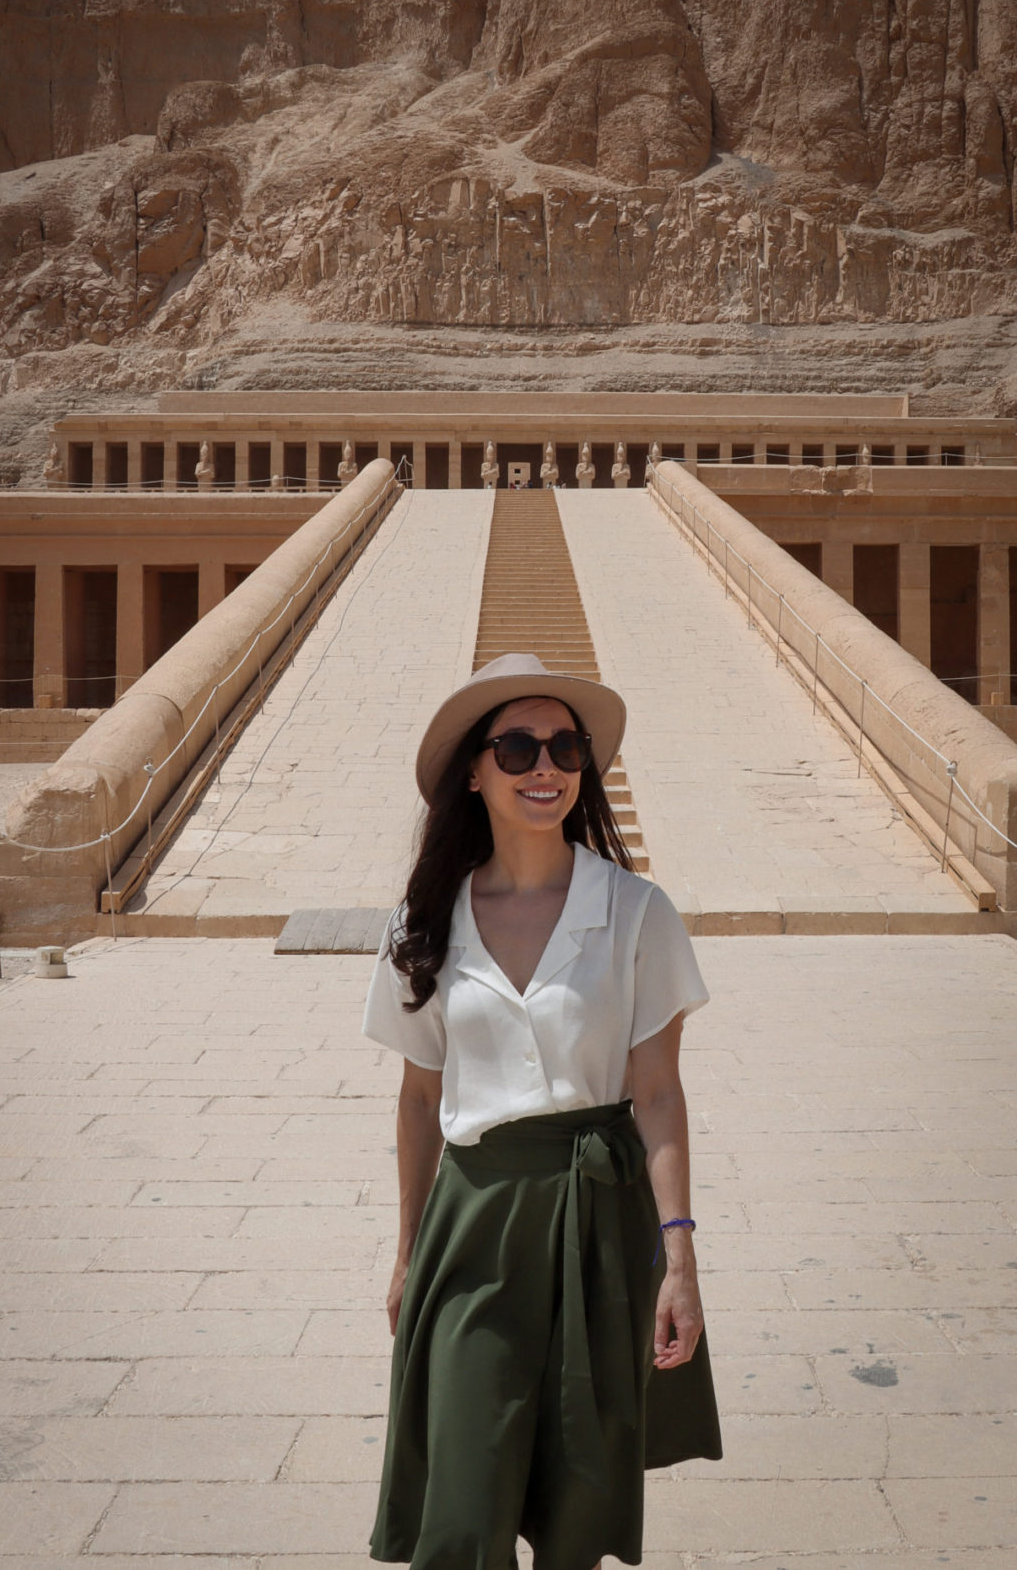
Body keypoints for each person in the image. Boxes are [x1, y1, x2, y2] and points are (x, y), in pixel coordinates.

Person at [362, 653, 721, 1570]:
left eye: (565, 746)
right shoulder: (422, 920)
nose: (544, 766)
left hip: (598, 1219)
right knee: (463, 1507)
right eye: (517, 746)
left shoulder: (638, 912)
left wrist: (678, 1259)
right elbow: (417, 1100)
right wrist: (406, 1251)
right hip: (474, 1223)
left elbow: (658, 1093)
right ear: (474, 772)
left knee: (577, 1516)